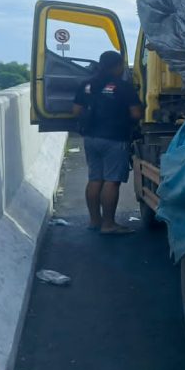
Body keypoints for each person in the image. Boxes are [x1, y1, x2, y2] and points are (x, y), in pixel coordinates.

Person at [73, 50, 142, 235]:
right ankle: (109, 224)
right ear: (117, 66)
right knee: (112, 181)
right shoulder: (124, 87)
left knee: (95, 179)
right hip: (115, 138)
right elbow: (136, 114)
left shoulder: (87, 84)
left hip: (90, 138)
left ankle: (95, 221)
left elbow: (76, 110)